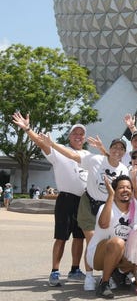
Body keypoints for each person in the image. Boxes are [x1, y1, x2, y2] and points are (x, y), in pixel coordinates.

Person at [12, 111, 88, 287]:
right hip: (66, 199)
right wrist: (28, 129)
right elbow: (40, 142)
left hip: (83, 202)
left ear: (84, 138)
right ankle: (55, 271)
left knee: (79, 237)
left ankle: (75, 270)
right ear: (69, 136)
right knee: (61, 237)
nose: (78, 136)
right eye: (75, 133)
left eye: (81, 134)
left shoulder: (86, 156)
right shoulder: (60, 151)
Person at [45, 134, 129, 290]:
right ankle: (89, 276)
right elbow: (72, 155)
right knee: (92, 242)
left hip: (108, 208)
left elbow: (124, 190)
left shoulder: (124, 169)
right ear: (109, 149)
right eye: (115, 147)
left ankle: (107, 275)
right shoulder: (95, 159)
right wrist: (53, 145)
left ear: (124, 153)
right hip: (89, 205)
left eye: (121, 148)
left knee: (108, 243)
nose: (118, 150)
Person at [86, 175, 134, 299]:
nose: (125, 190)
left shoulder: (135, 210)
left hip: (120, 254)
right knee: (117, 242)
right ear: (115, 190)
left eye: (128, 188)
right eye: (121, 188)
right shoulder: (106, 207)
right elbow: (103, 224)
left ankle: (118, 273)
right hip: (98, 254)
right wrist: (110, 195)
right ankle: (104, 283)